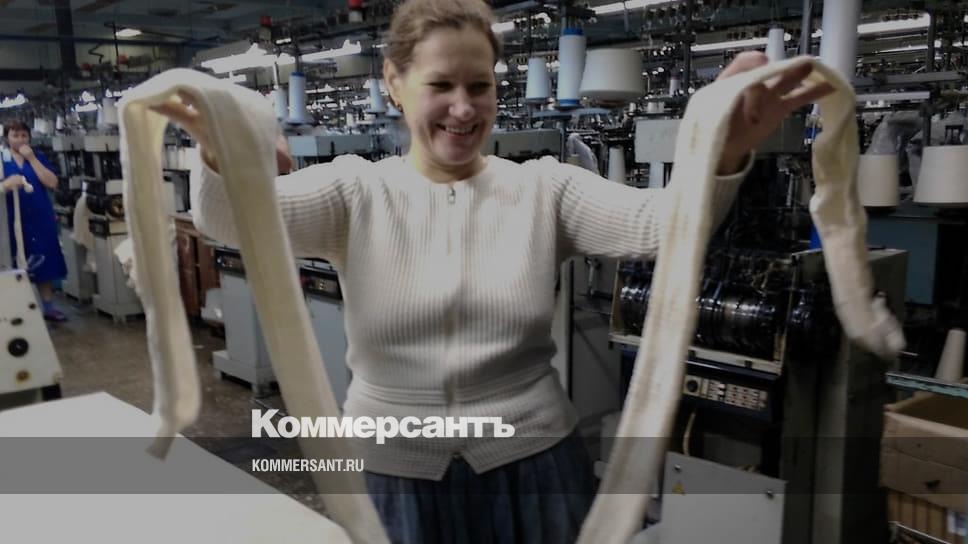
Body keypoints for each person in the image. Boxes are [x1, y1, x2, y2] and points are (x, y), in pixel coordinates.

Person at [152, 0, 832, 541]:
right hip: (394, 473)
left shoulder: (544, 190)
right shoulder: (355, 193)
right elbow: (232, 220)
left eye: (479, 86)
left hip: (534, 468)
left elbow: (663, 225)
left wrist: (723, 149)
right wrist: (216, 154)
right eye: (440, 85)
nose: (463, 107)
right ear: (393, 84)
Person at [2, 120, 69, 321]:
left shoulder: (38, 157)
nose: (20, 139)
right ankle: (18, 309)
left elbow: (52, 182)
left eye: (24, 135)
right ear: (7, 138)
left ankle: (48, 307)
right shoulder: (2, 159)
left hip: (40, 217)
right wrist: (5, 184)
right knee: (13, 261)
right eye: (15, 135)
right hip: (11, 220)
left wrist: (31, 159)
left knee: (44, 260)